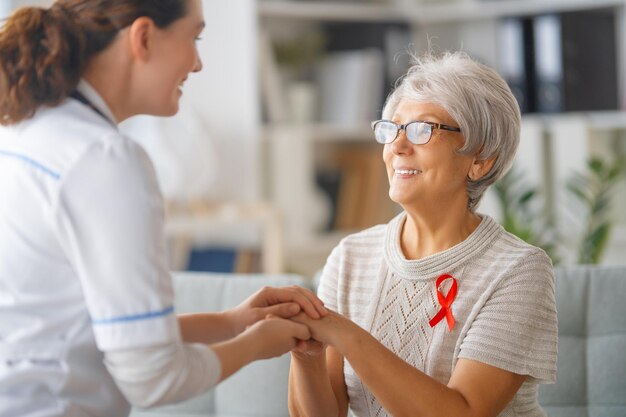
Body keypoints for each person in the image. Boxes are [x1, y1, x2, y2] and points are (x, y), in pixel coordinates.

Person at [0, 1, 326, 416]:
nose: (198, 63)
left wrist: (231, 322)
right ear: (143, 37)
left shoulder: (22, 130)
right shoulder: (104, 160)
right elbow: (154, 378)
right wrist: (255, 346)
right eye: (194, 37)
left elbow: (83, 330)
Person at [288, 52, 558, 417]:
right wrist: (307, 354)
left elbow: (462, 413)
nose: (397, 147)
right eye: (392, 128)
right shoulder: (350, 256)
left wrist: (347, 335)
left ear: (481, 159)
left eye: (422, 129)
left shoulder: (519, 270)